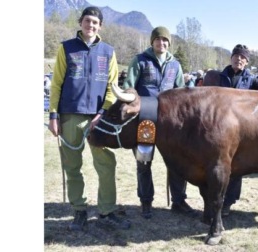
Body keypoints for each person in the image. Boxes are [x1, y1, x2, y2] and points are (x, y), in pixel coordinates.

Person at [48, 6, 131, 231]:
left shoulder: (108, 51)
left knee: (106, 164)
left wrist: (102, 112)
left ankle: (106, 211)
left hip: (98, 119)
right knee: (73, 166)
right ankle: (79, 211)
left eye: (95, 22)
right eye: (87, 21)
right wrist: (53, 115)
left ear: (100, 26)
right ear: (80, 22)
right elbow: (56, 84)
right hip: (70, 115)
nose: (90, 25)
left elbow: (113, 88)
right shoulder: (66, 48)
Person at [123, 26, 197, 219]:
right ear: (152, 41)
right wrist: (132, 96)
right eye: (158, 39)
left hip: (169, 125)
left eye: (165, 40)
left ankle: (179, 201)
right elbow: (128, 87)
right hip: (144, 122)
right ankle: (146, 201)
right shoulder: (139, 60)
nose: (161, 43)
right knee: (144, 162)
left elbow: (180, 93)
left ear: (168, 43)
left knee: (177, 162)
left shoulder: (176, 65)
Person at [212, 44, 258, 217]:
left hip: (238, 131)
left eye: (243, 58)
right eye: (236, 56)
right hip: (218, 128)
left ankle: (228, 202)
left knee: (235, 167)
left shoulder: (250, 80)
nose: (239, 60)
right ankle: (213, 198)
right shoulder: (219, 77)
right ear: (231, 58)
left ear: (247, 62)